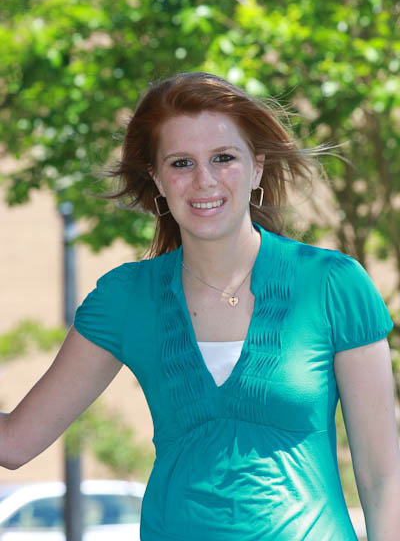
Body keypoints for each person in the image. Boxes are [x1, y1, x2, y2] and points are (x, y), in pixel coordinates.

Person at [1, 72, 399, 540]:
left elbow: (382, 478)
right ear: (157, 179)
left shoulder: (332, 284)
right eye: (181, 163)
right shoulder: (125, 298)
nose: (204, 180)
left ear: (256, 168)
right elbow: (15, 443)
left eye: (223, 158)